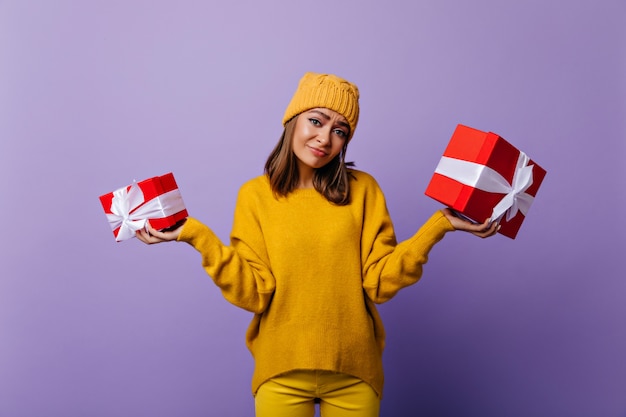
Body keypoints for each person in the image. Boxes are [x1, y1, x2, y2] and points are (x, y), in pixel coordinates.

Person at [136, 72, 499, 417]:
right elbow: (254, 293)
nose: (325, 138)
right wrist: (196, 235)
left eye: (339, 131)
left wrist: (439, 226)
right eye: (316, 121)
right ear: (293, 120)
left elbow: (380, 283)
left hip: (354, 371)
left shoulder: (363, 190)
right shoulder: (255, 196)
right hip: (281, 370)